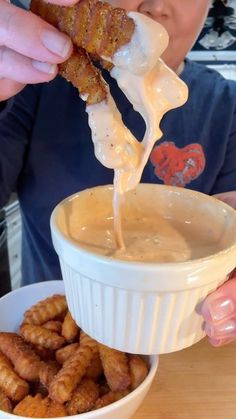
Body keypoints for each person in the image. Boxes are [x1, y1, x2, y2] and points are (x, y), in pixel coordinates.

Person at [0, 0, 236, 348]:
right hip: (52, 337)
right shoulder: (30, 82)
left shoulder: (226, 108)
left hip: (184, 345)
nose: (154, 5)